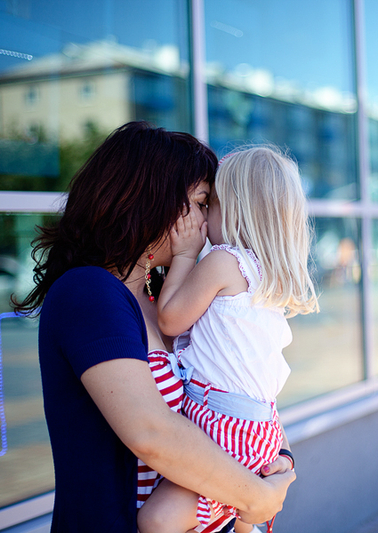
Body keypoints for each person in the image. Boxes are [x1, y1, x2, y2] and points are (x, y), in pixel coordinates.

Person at [13, 123, 295, 533]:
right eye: (201, 203)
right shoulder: (88, 292)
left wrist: (279, 458)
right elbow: (152, 432)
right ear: (151, 200)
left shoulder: (162, 294)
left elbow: (245, 381)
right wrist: (255, 496)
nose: (205, 220)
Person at [137, 146, 319, 533]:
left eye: (210, 204)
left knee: (156, 520)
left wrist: (185, 254)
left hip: (223, 427)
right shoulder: (266, 276)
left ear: (233, 210)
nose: (203, 217)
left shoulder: (224, 261)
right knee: (225, 514)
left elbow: (169, 320)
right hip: (257, 430)